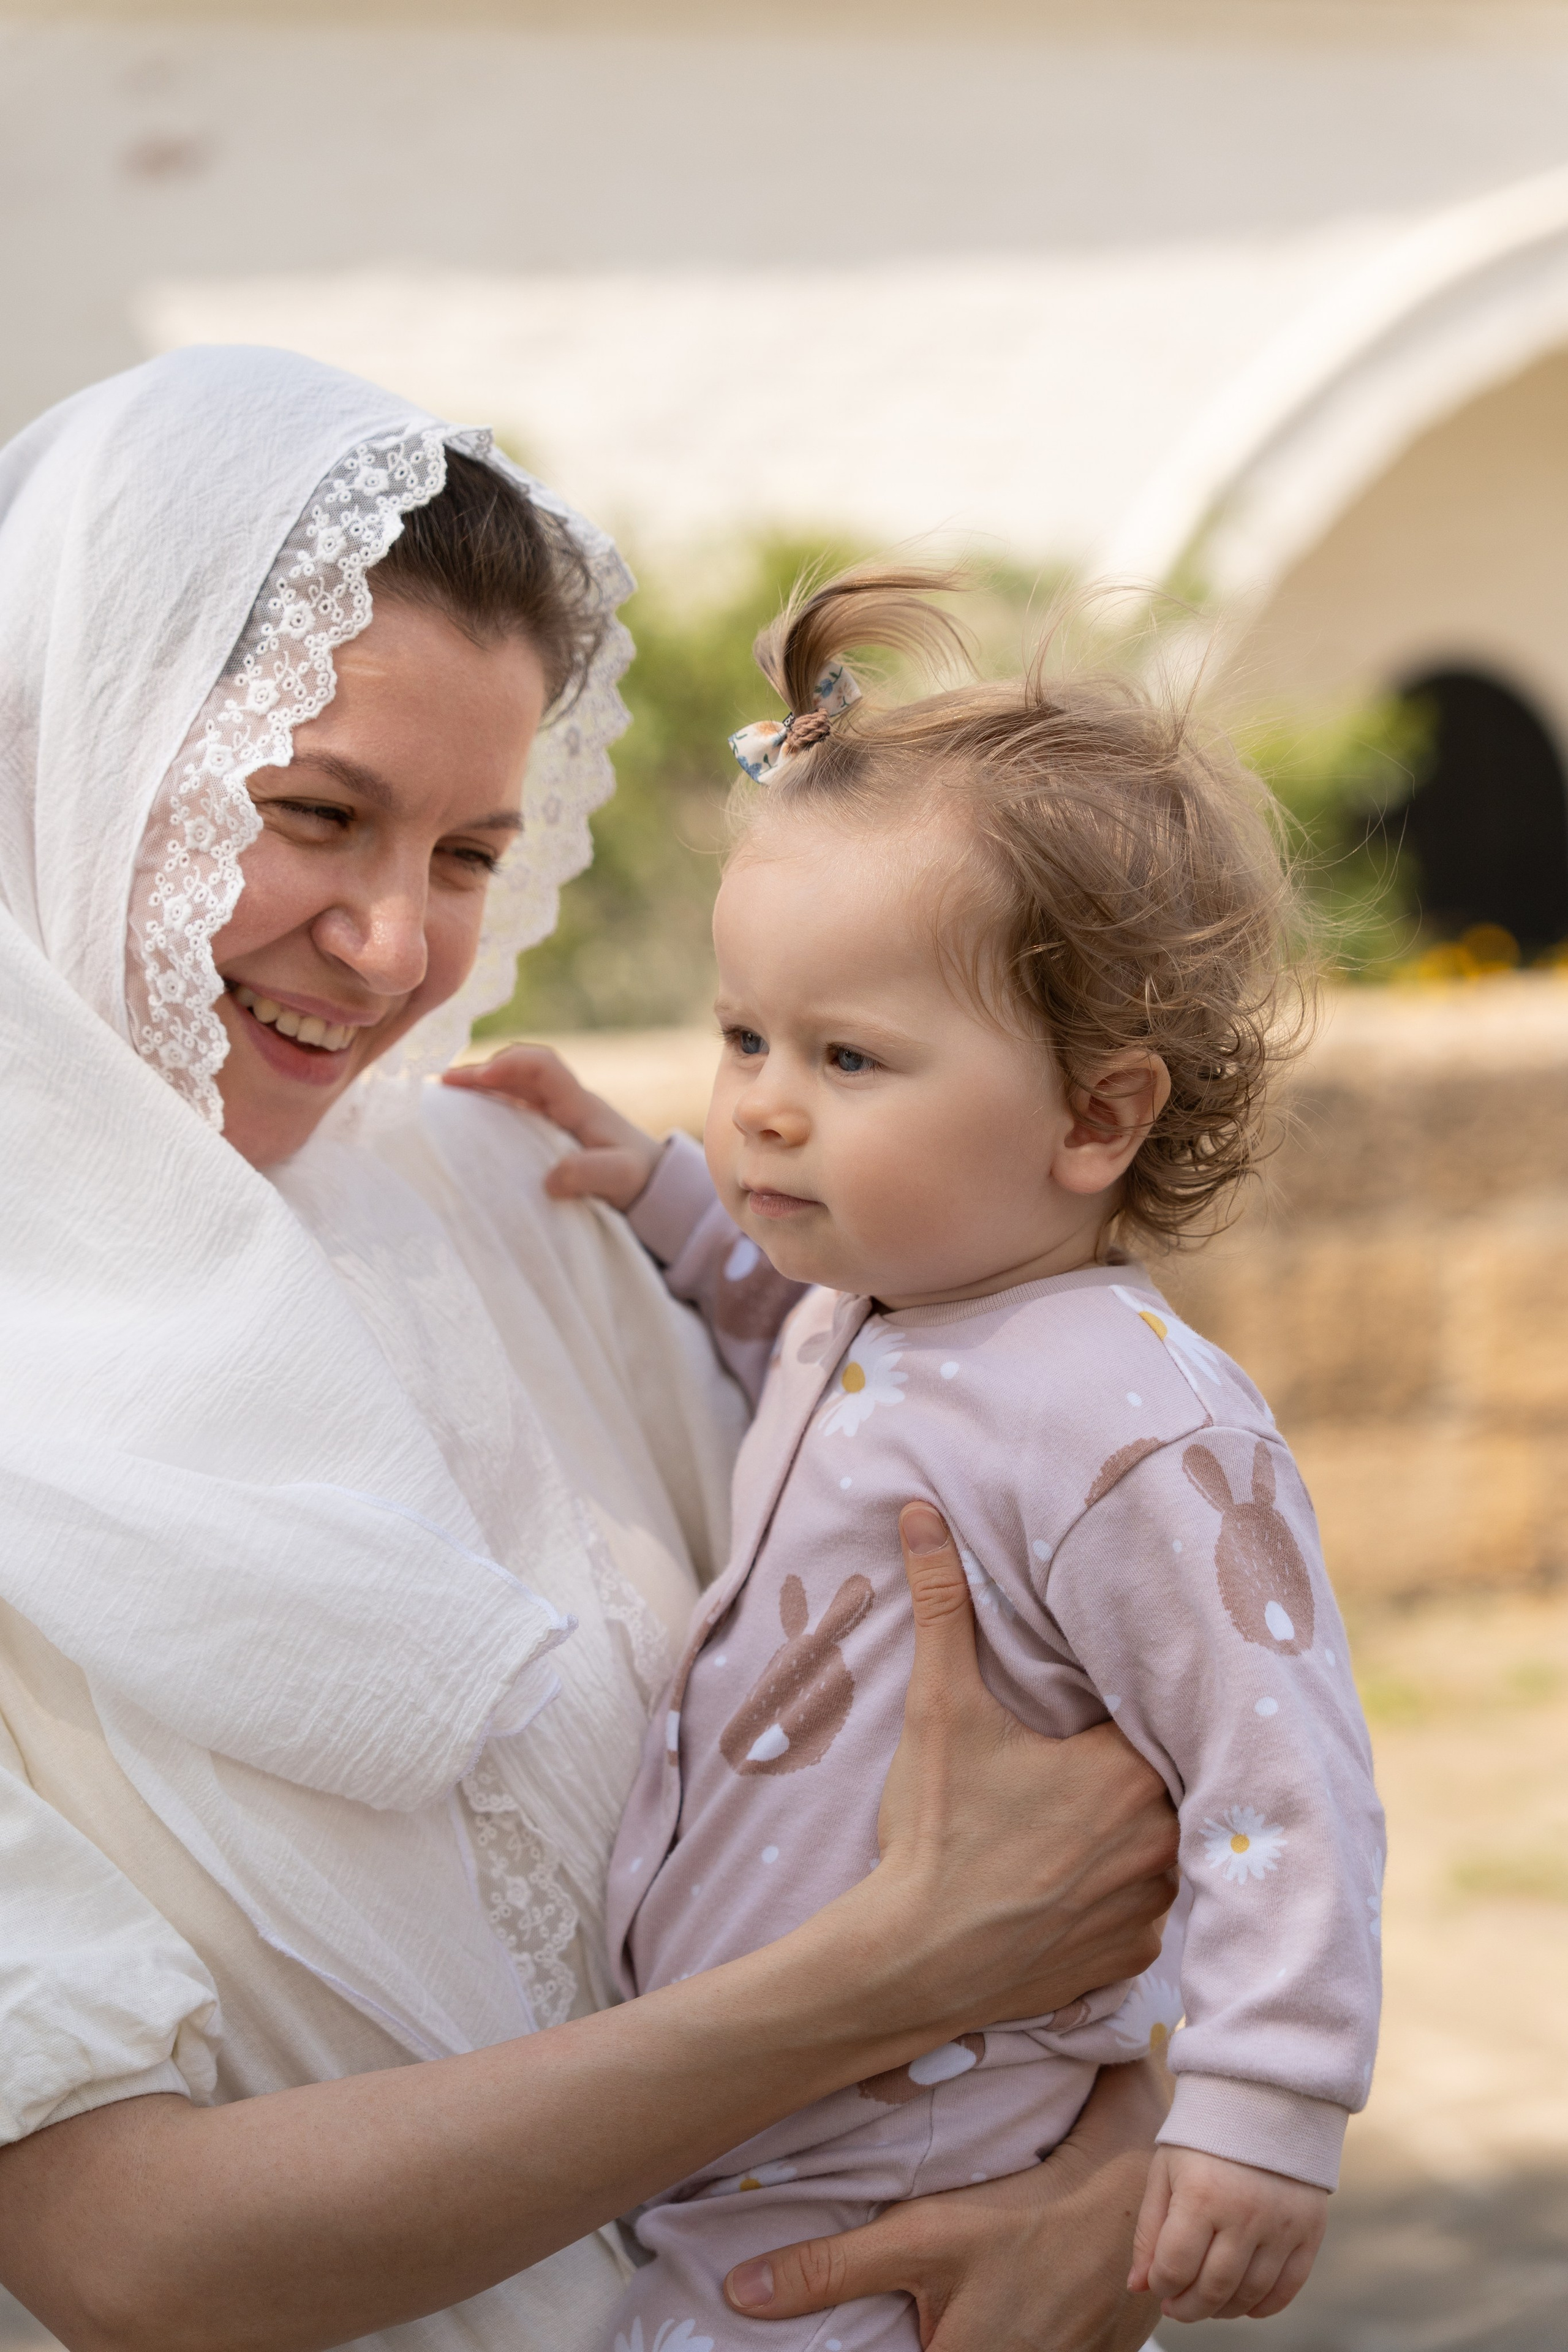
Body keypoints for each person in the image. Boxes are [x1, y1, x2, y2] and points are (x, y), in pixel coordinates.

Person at [0, 352, 1181, 2352]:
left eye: (466, 855)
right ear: (73, 748)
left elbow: (1070, 1750)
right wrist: (871, 1983)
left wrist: (1119, 2173)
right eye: (315, 814)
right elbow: (120, 2246)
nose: (393, 948)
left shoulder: (517, 1209)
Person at [458, 565, 1386, 2345]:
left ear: (1098, 1115)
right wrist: (660, 1195)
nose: (762, 1105)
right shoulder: (878, 1304)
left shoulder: (1134, 1419)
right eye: (743, 1039)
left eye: (849, 1055)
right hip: (747, 2144)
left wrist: (1267, 2105)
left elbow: (1282, 1769)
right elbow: (785, 1347)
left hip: (916, 2153)